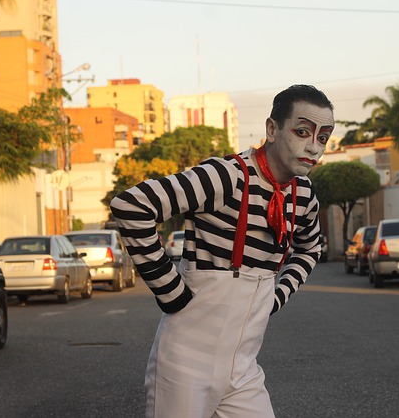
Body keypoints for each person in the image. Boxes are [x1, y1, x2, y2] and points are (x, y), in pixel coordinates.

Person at [110, 84, 335, 418]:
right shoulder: (226, 176)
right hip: (186, 363)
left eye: (323, 137)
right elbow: (131, 206)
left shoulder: (302, 194)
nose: (313, 147)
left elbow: (310, 247)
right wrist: (171, 293)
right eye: (302, 132)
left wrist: (276, 296)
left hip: (244, 367)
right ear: (272, 129)